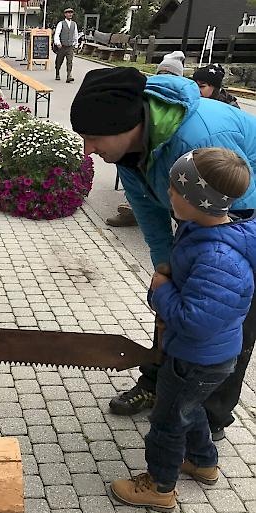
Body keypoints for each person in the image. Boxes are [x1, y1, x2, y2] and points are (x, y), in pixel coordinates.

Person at [70, 67, 256, 440]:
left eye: (92, 138)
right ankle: (159, 382)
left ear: (127, 126)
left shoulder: (199, 139)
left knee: (229, 318)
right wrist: (165, 265)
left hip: (241, 220)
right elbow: (148, 209)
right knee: (174, 305)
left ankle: (210, 420)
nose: (88, 150)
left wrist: (198, 273)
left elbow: (236, 216)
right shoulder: (132, 145)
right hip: (210, 221)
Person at [110, 148, 256, 512]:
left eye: (175, 188)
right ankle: (203, 463)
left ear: (197, 200)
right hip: (201, 357)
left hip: (196, 358)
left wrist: (161, 292)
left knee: (167, 421)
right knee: (188, 410)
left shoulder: (219, 258)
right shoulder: (202, 231)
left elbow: (196, 320)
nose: (168, 192)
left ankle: (160, 487)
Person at [106, 51, 186, 228]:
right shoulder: (148, 93)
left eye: (170, 75)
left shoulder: (189, 100)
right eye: (162, 74)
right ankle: (136, 208)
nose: (165, 78)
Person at [54, 7, 78, 83]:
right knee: (59, 61)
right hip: (62, 46)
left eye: (71, 13)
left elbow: (75, 34)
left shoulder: (74, 24)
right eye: (68, 13)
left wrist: (76, 44)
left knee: (70, 61)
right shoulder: (61, 23)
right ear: (65, 14)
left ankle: (69, 76)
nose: (70, 14)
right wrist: (57, 43)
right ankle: (57, 72)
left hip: (70, 46)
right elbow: (57, 34)